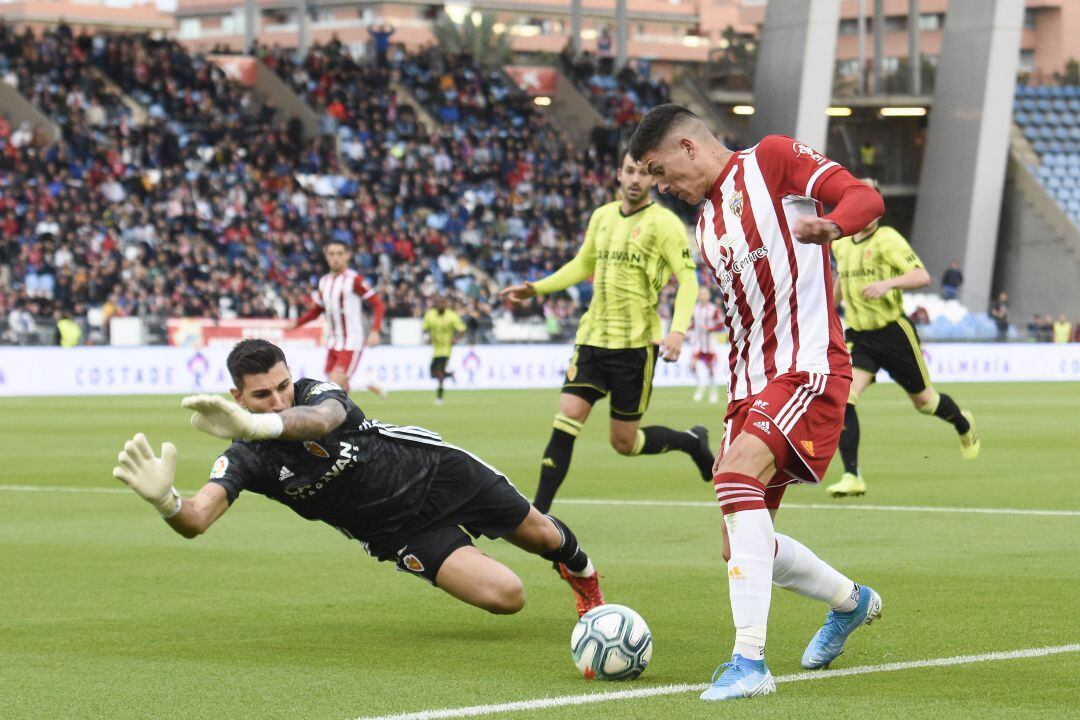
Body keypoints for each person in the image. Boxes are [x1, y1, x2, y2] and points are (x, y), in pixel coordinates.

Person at [629, 104, 885, 701]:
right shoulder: (705, 225)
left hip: (808, 369)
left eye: (658, 169)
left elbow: (864, 199)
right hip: (749, 386)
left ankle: (749, 664)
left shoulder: (769, 160)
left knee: (735, 475)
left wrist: (833, 227)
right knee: (742, 544)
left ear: (688, 148)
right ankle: (851, 602)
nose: (658, 185)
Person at [110, 339, 605, 617]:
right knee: (507, 598)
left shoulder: (317, 392)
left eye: (283, 386)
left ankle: (586, 585)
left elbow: (321, 419)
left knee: (544, 536)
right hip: (396, 532)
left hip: (438, 473)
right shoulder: (247, 460)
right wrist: (167, 503)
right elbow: (197, 519)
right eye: (262, 396)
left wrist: (262, 423)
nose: (281, 400)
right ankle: (463, 551)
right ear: (236, 397)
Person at [499, 152, 715, 514]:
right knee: (566, 418)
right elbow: (581, 264)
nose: (635, 179)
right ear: (618, 175)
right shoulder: (601, 217)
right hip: (592, 339)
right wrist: (536, 288)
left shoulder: (664, 223)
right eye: (629, 171)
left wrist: (677, 331)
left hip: (635, 347)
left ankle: (691, 442)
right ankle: (539, 516)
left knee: (625, 443)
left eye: (643, 174)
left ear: (652, 179)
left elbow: (688, 280)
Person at [828, 189, 980, 498]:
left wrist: (887, 284)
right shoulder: (841, 244)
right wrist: (829, 308)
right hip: (861, 336)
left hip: (894, 333)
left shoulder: (888, 239)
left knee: (925, 403)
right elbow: (842, 279)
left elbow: (922, 276)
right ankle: (852, 475)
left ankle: (963, 423)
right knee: (845, 398)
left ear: (878, 215)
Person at [294, 239, 386, 397]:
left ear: (347, 256)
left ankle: (344, 414)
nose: (335, 258)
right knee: (335, 387)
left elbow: (378, 304)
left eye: (339, 254)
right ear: (326, 256)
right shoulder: (324, 282)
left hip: (351, 342)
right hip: (333, 342)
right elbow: (317, 310)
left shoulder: (354, 280)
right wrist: (296, 324)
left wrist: (375, 331)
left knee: (332, 388)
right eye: (331, 254)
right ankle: (366, 383)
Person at [423, 295, 466, 405]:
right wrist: (427, 338)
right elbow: (425, 329)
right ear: (436, 304)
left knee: (440, 372)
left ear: (446, 304)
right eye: (439, 303)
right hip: (436, 349)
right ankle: (450, 375)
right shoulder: (430, 315)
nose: (441, 305)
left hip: (446, 349)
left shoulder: (451, 316)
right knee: (432, 373)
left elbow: (461, 329)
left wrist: (455, 339)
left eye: (443, 303)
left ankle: (439, 397)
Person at [687, 286, 724, 403]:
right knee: (692, 366)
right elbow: (695, 324)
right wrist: (689, 328)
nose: (702, 296)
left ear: (708, 296)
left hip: (709, 345)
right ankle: (700, 386)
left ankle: (713, 392)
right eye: (700, 294)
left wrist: (710, 328)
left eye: (704, 294)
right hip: (697, 343)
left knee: (711, 370)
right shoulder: (695, 309)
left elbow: (721, 324)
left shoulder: (714, 309)